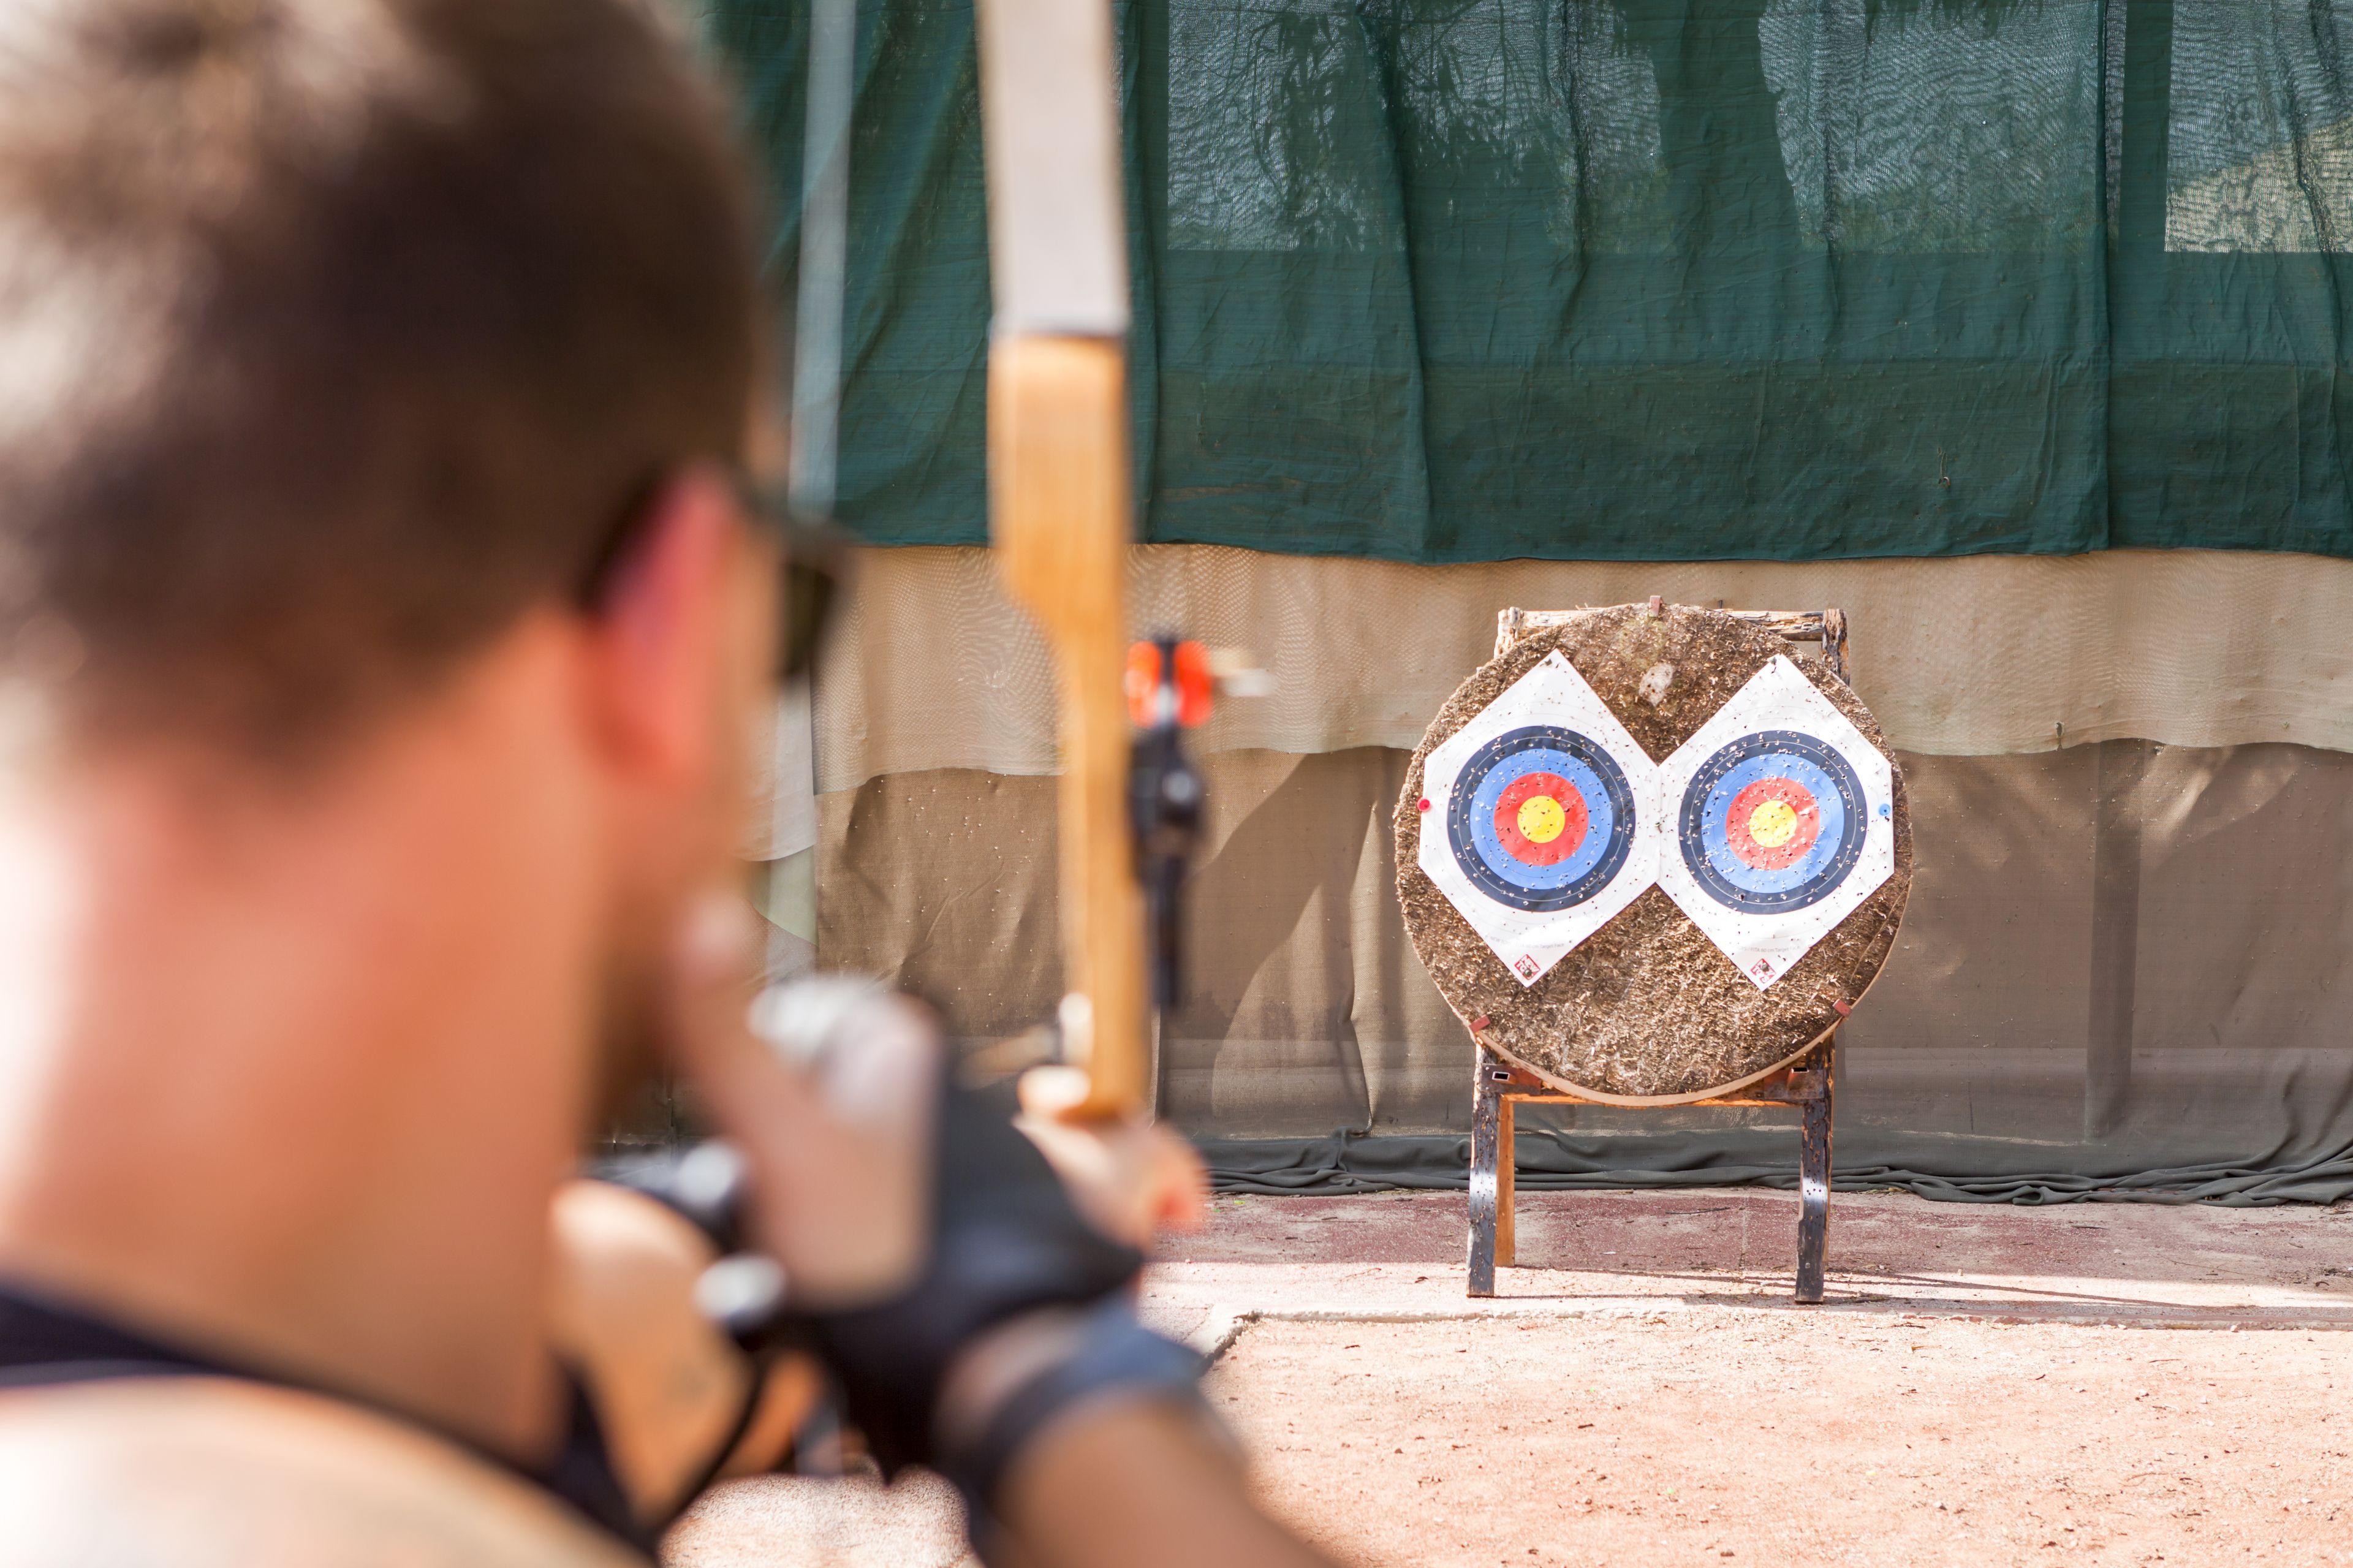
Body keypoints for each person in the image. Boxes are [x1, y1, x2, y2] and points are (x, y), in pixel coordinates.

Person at [0, 2, 1343, 1564]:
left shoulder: (255, 1346)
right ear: (675, 616)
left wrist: (828, 1236)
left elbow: (550, 1355)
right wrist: (1059, 1379)